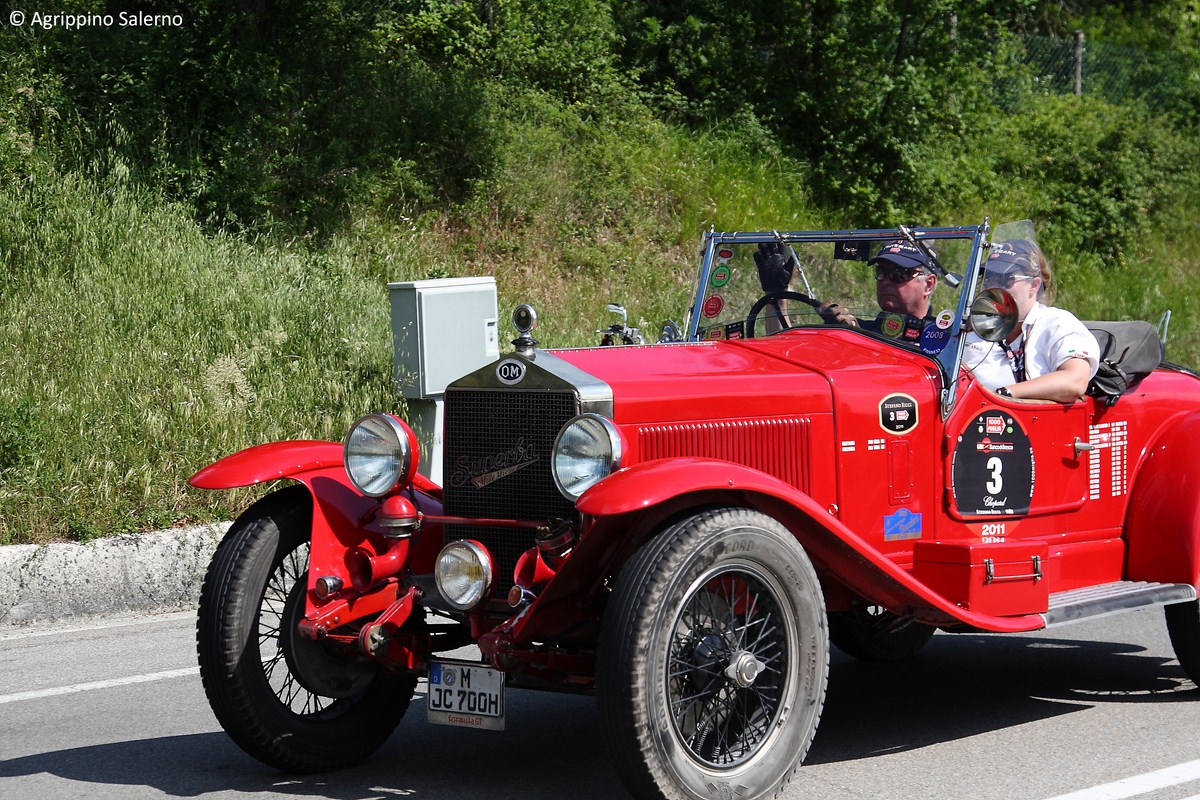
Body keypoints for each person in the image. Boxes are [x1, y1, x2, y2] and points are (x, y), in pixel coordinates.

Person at [963, 238, 1099, 403]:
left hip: (1035, 418)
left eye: (1006, 279)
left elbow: (1075, 381)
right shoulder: (973, 328)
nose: (993, 286)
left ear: (1034, 285)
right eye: (989, 278)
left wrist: (1004, 394)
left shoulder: (1056, 324)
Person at [817, 238, 938, 343]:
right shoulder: (854, 329)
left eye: (899, 274)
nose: (885, 281)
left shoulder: (937, 342)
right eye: (881, 273)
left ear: (929, 285)